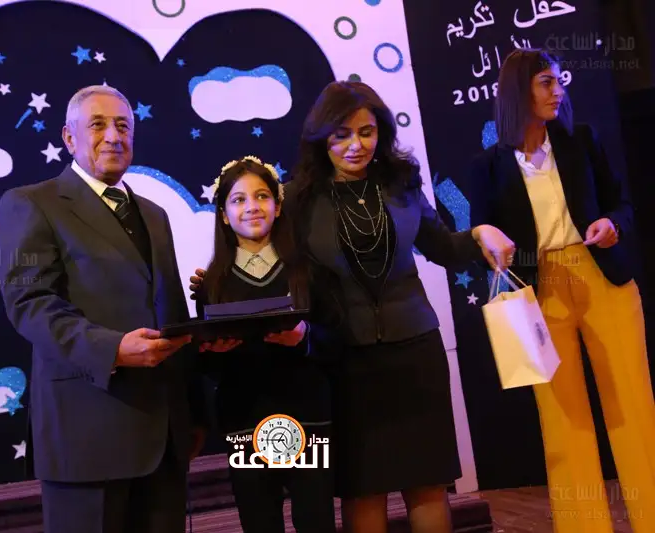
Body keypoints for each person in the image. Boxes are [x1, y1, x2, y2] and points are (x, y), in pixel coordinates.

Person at [191, 80, 515, 533]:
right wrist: (217, 285)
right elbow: (264, 255)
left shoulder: (402, 184)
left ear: (381, 132)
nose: (355, 145)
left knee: (427, 483)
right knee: (364, 489)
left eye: (366, 132)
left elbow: (443, 246)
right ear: (321, 137)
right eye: (341, 134)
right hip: (346, 360)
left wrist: (480, 233)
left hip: (416, 351)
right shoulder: (297, 198)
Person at [0, 84, 207, 533]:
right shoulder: (31, 204)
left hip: (165, 437)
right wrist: (113, 350)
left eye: (123, 126)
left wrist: (195, 407)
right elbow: (31, 304)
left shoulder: (154, 214)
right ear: (68, 137)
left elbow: (169, 309)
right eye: (97, 124)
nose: (113, 136)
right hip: (86, 434)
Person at [468, 48, 655, 532]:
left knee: (633, 405)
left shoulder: (581, 141)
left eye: (558, 81)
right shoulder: (489, 165)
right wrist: (488, 239)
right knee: (562, 419)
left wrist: (613, 224)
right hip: (538, 289)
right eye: (546, 83)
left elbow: (622, 204)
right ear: (520, 91)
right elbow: (479, 234)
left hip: (602, 277)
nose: (559, 91)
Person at [194, 155, 337, 533]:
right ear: (224, 215)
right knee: (259, 520)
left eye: (261, 196)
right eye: (238, 200)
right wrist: (214, 353)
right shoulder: (212, 283)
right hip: (245, 418)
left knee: (316, 519)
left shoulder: (307, 269)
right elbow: (208, 365)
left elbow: (338, 338)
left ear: (278, 205)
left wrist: (304, 338)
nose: (252, 207)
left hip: (307, 415)